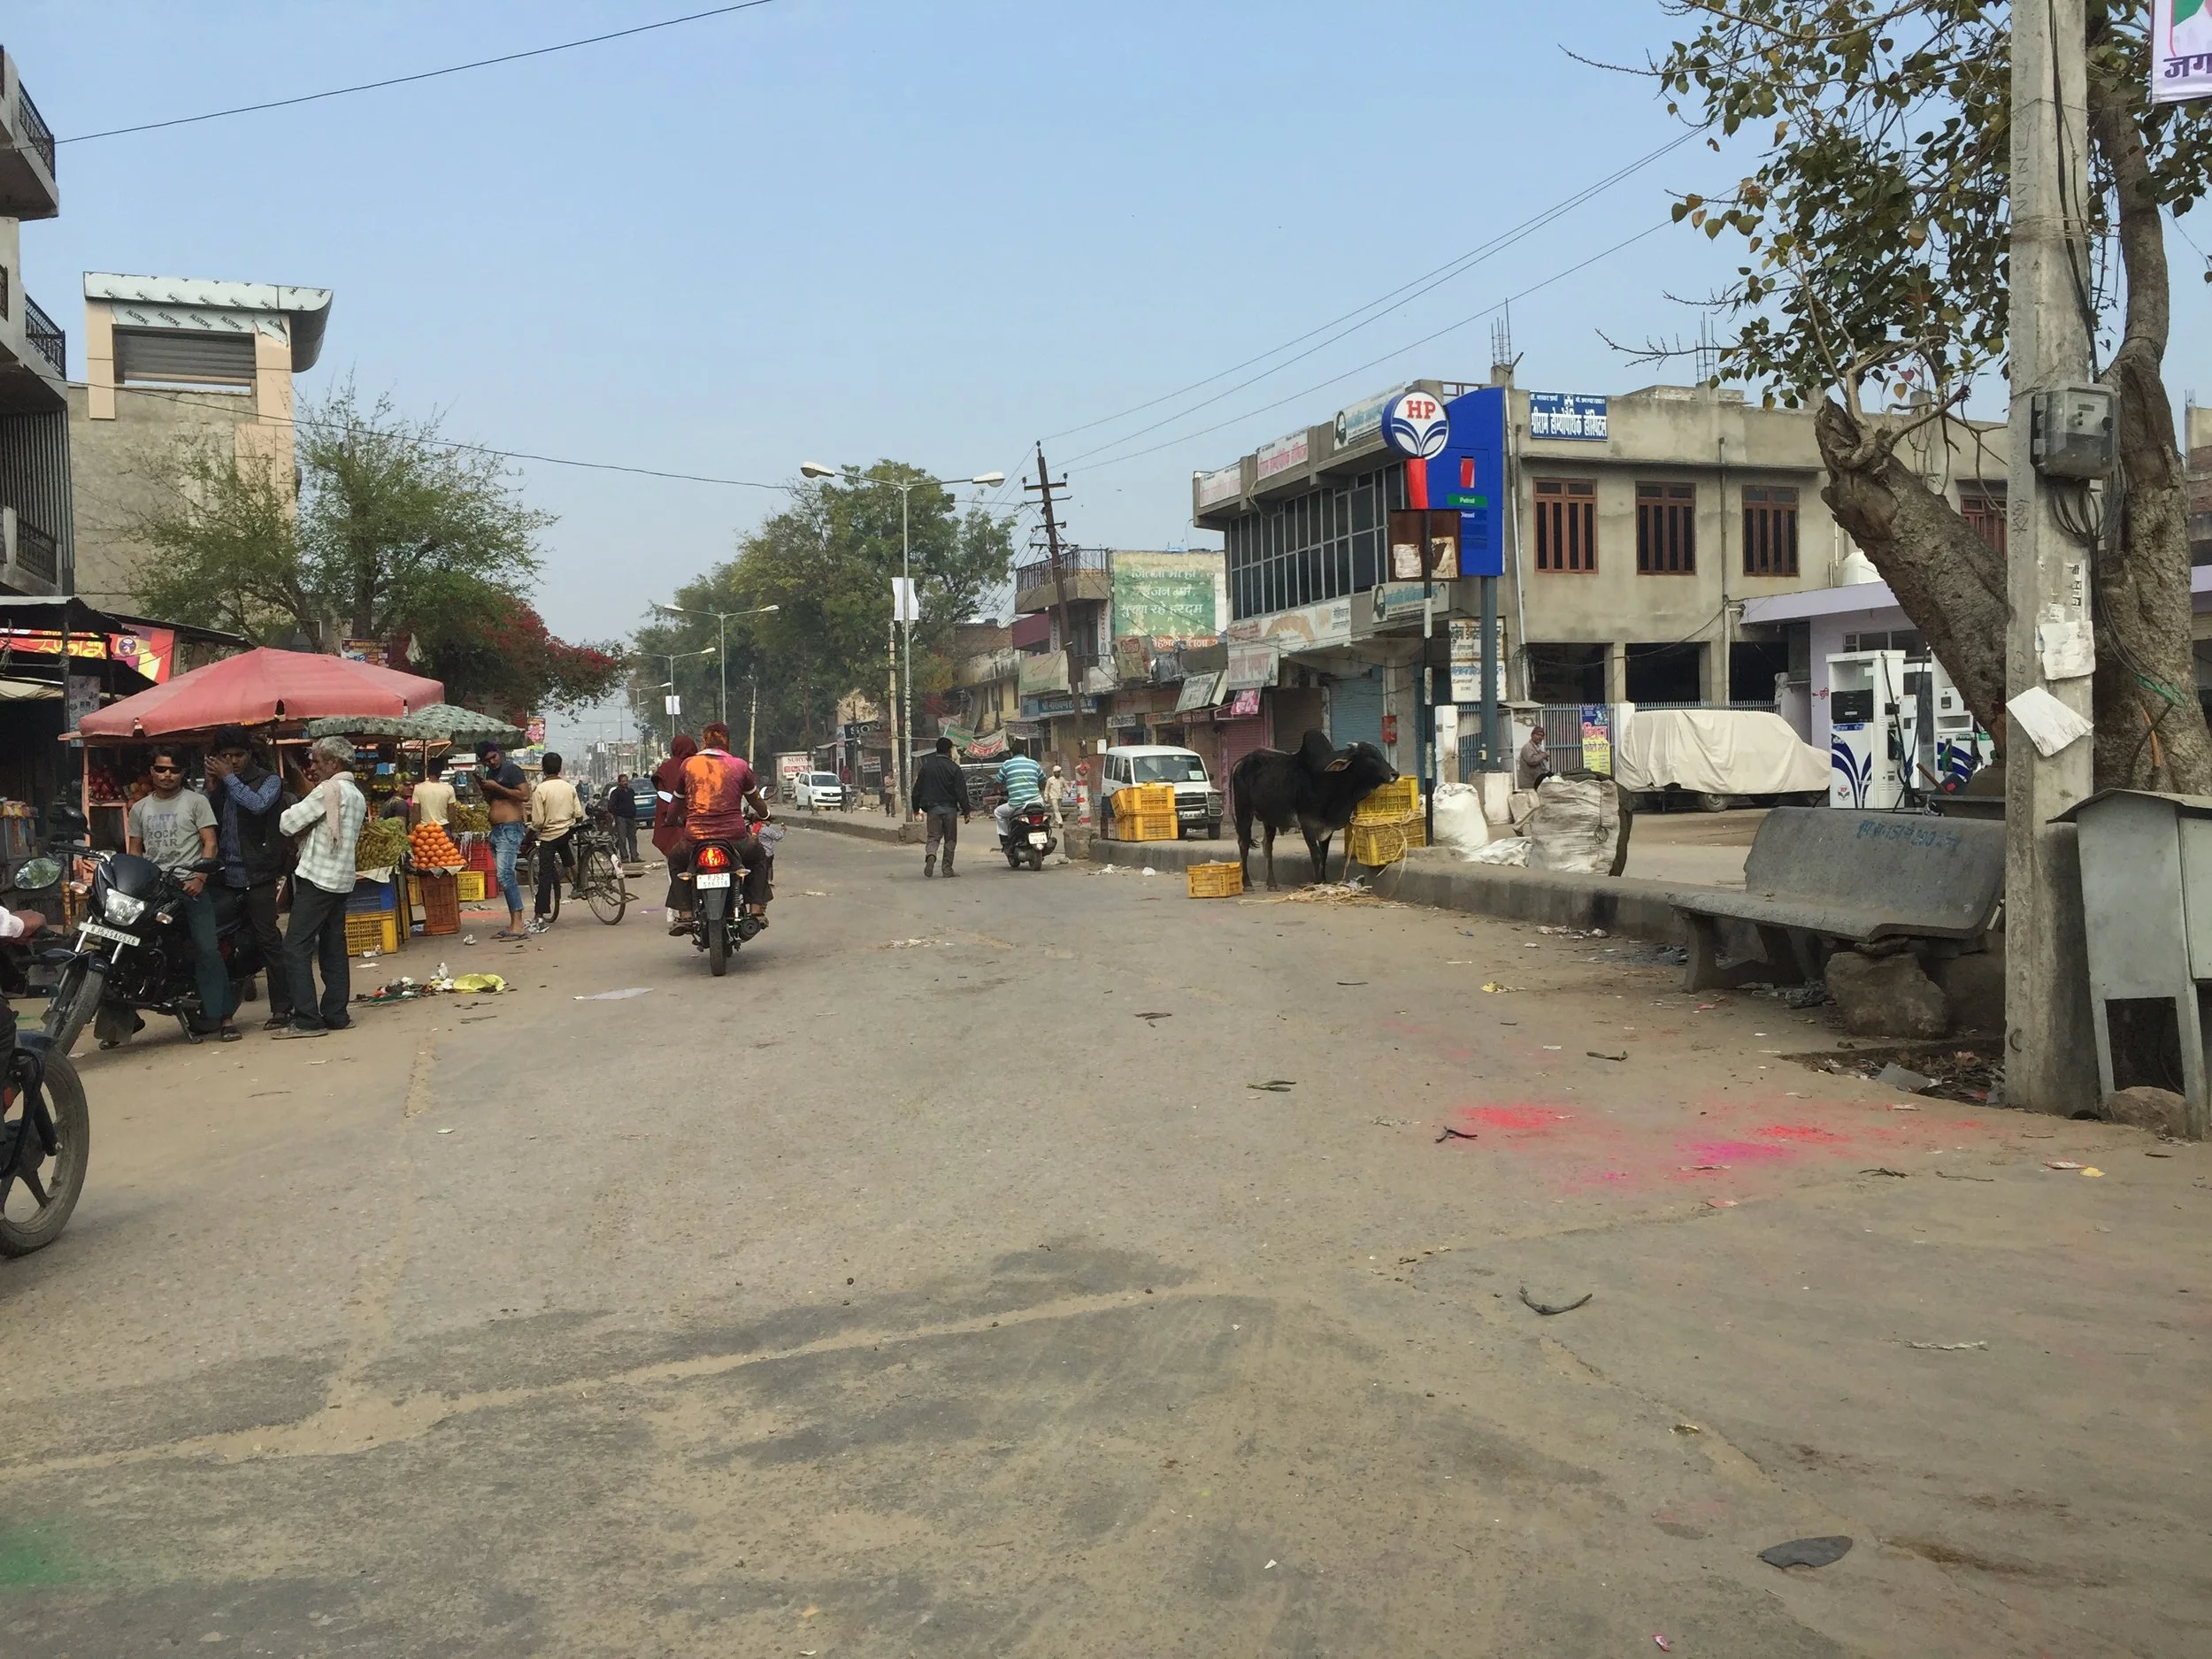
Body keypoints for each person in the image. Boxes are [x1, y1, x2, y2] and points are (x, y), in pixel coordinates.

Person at [127, 746, 235, 1041]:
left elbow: (209, 844)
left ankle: (224, 1018)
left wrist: (200, 878)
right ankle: (122, 1022)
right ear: (151, 772)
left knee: (207, 949)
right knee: (125, 944)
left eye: (174, 770)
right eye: (161, 769)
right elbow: (135, 851)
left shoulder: (196, 802)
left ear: (184, 774)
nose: (167, 775)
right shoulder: (139, 808)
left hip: (190, 887)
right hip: (153, 891)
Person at [273, 737, 366, 1041]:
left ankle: (307, 1019)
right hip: (341, 879)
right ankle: (336, 1014)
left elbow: (287, 823)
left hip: (318, 876)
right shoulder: (355, 794)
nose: (312, 767)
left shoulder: (328, 790)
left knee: (295, 946)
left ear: (332, 764)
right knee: (333, 947)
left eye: (316, 761)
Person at [204, 725, 296, 1033]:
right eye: (225, 756)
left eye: (238, 755)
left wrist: (228, 779)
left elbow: (257, 805)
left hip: (259, 872)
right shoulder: (221, 784)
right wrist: (214, 786)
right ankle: (225, 1010)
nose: (232, 761)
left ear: (249, 754)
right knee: (228, 942)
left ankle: (282, 1008)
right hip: (226, 874)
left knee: (268, 938)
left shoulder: (269, 781)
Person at [680, 722, 772, 927]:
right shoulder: (739, 766)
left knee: (676, 860)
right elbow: (755, 800)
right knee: (758, 856)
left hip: (695, 840)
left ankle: (685, 914)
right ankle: (756, 910)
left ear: (703, 741)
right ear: (728, 742)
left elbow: (677, 802)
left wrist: (672, 820)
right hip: (735, 839)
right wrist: (765, 814)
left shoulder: (688, 765)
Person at [477, 740, 532, 941]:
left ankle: (518, 924)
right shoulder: (489, 775)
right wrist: (486, 790)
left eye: (494, 757)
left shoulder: (511, 770)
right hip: (497, 830)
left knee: (506, 874)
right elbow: (494, 800)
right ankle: (513, 922)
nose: (492, 762)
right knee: (504, 877)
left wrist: (497, 787)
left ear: (499, 753)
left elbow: (524, 795)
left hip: (510, 828)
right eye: (487, 760)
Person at [526, 751, 581, 933]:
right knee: (568, 857)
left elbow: (538, 822)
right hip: (566, 831)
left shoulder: (540, 790)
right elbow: (578, 814)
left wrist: (529, 836)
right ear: (560, 768)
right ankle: (580, 883)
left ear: (543, 769)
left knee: (545, 875)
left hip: (548, 836)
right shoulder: (569, 787)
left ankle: (540, 914)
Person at [652, 735, 698, 929]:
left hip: (676, 825)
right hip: (701, 823)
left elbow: (663, 799)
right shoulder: (699, 765)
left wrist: (672, 818)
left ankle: (677, 911)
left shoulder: (666, 769)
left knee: (675, 866)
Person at [911, 736, 972, 878]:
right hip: (950, 809)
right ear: (949, 751)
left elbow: (917, 791)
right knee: (950, 840)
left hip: (933, 809)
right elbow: (961, 792)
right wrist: (966, 811)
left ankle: (931, 854)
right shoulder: (954, 768)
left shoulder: (926, 767)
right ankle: (947, 869)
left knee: (933, 837)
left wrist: (916, 808)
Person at [993, 748, 1047, 847]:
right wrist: (1040, 789)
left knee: (998, 812)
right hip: (1037, 802)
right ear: (1024, 752)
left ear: (1011, 753)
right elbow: (1043, 780)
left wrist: (996, 791)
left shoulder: (1007, 764)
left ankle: (1005, 839)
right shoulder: (1034, 763)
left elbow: (997, 782)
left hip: (1017, 804)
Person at [411, 755, 456, 827]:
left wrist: (415, 828)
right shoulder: (449, 788)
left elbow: (416, 812)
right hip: (443, 828)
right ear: (440, 772)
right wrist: (451, 828)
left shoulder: (418, 788)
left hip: (425, 829)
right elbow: (452, 812)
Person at [609, 772, 640, 863]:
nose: (625, 783)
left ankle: (635, 856)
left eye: (626, 781)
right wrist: (617, 814)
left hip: (631, 817)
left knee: (633, 838)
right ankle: (625, 857)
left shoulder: (631, 791)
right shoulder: (616, 793)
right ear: (619, 782)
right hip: (621, 818)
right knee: (622, 839)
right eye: (623, 781)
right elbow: (610, 806)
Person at [1516, 726, 1553, 791]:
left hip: (1538, 782)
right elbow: (1532, 760)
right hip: (1529, 783)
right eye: (1538, 735)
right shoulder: (1528, 747)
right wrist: (1544, 755)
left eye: (1542, 735)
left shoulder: (1539, 747)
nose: (1540, 737)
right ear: (1532, 735)